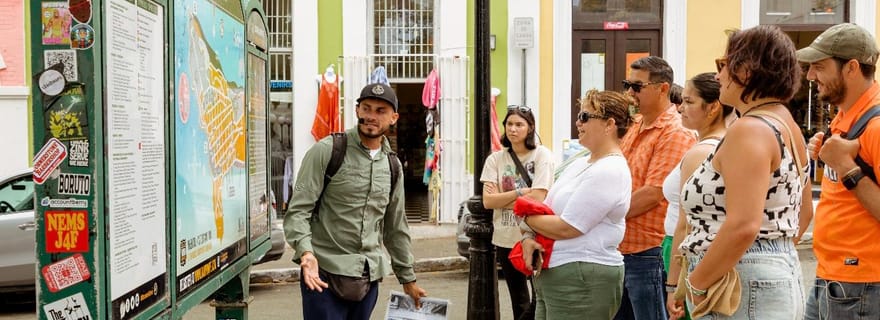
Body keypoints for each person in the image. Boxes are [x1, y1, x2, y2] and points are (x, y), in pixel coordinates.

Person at [679, 25, 811, 319]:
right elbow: (804, 214)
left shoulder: (750, 129)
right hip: (769, 270)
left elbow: (743, 225)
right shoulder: (785, 123)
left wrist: (697, 283)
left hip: (740, 278)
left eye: (723, 65)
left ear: (747, 70)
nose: (718, 76)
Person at [284, 83, 427, 319]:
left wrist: (407, 278)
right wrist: (306, 254)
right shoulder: (327, 151)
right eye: (367, 109)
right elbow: (298, 211)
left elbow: (395, 227)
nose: (371, 116)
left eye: (381, 111)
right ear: (357, 110)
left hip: (368, 277)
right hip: (324, 275)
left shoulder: (392, 166)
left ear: (394, 118)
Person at [521, 89, 633, 320]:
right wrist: (528, 237)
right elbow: (546, 207)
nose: (577, 122)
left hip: (582, 276)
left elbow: (568, 227)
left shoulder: (610, 169)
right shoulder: (582, 162)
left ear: (609, 124)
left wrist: (524, 216)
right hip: (558, 272)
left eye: (585, 117)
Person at [799, 23, 880, 320]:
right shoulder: (846, 116)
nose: (809, 76)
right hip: (833, 275)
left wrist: (846, 167)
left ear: (851, 68)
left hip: (863, 283)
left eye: (818, 67)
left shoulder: (876, 125)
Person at [616, 56, 696, 320]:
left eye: (637, 87)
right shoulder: (638, 123)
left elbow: (653, 193)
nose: (629, 92)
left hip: (648, 253)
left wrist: (606, 213)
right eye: (628, 84)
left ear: (662, 89)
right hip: (624, 248)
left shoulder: (674, 132)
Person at [662, 73, 734, 320]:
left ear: (713, 107)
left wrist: (673, 286)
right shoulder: (726, 144)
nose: (680, 107)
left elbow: (685, 223)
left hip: (688, 254)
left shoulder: (700, 153)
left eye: (689, 102)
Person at [480, 105, 554, 320]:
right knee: (518, 299)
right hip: (505, 238)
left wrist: (503, 199)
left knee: (539, 297)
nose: (513, 129)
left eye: (519, 124)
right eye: (509, 124)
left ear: (530, 128)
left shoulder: (542, 155)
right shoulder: (495, 159)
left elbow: (539, 197)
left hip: (536, 233)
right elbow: (487, 201)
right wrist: (521, 193)